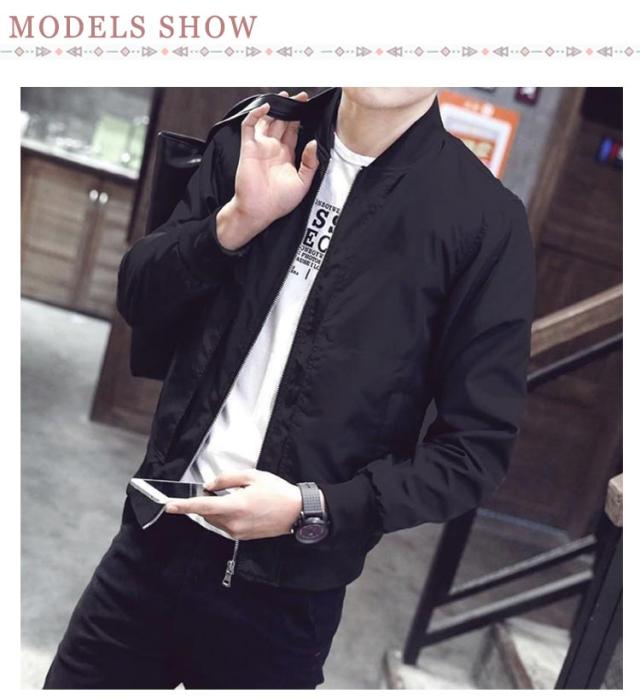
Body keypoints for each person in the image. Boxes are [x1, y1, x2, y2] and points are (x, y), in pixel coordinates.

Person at [43, 87, 536, 689]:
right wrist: (236, 222)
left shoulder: (482, 221)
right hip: (154, 537)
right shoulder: (257, 135)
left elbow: (475, 451)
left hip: (286, 599)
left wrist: (313, 508)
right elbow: (139, 298)